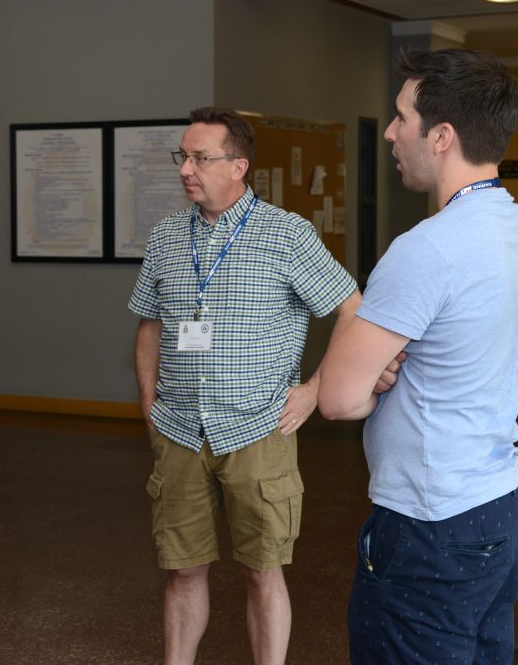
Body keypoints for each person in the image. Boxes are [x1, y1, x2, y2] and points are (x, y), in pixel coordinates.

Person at [317, 48, 518, 664]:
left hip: (431, 524)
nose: (391, 133)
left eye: (401, 117)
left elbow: (337, 399)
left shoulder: (427, 249)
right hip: (501, 508)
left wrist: (377, 372)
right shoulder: (516, 230)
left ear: (441, 137)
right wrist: (390, 365)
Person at [129, 106, 361, 665]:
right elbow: (150, 325)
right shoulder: (166, 236)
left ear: (239, 166)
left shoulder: (287, 234)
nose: (185, 169)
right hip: (180, 430)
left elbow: (352, 309)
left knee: (262, 571)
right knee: (183, 570)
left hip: (258, 429)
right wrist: (150, 405)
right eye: (182, 156)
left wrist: (314, 389)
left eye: (200, 158)